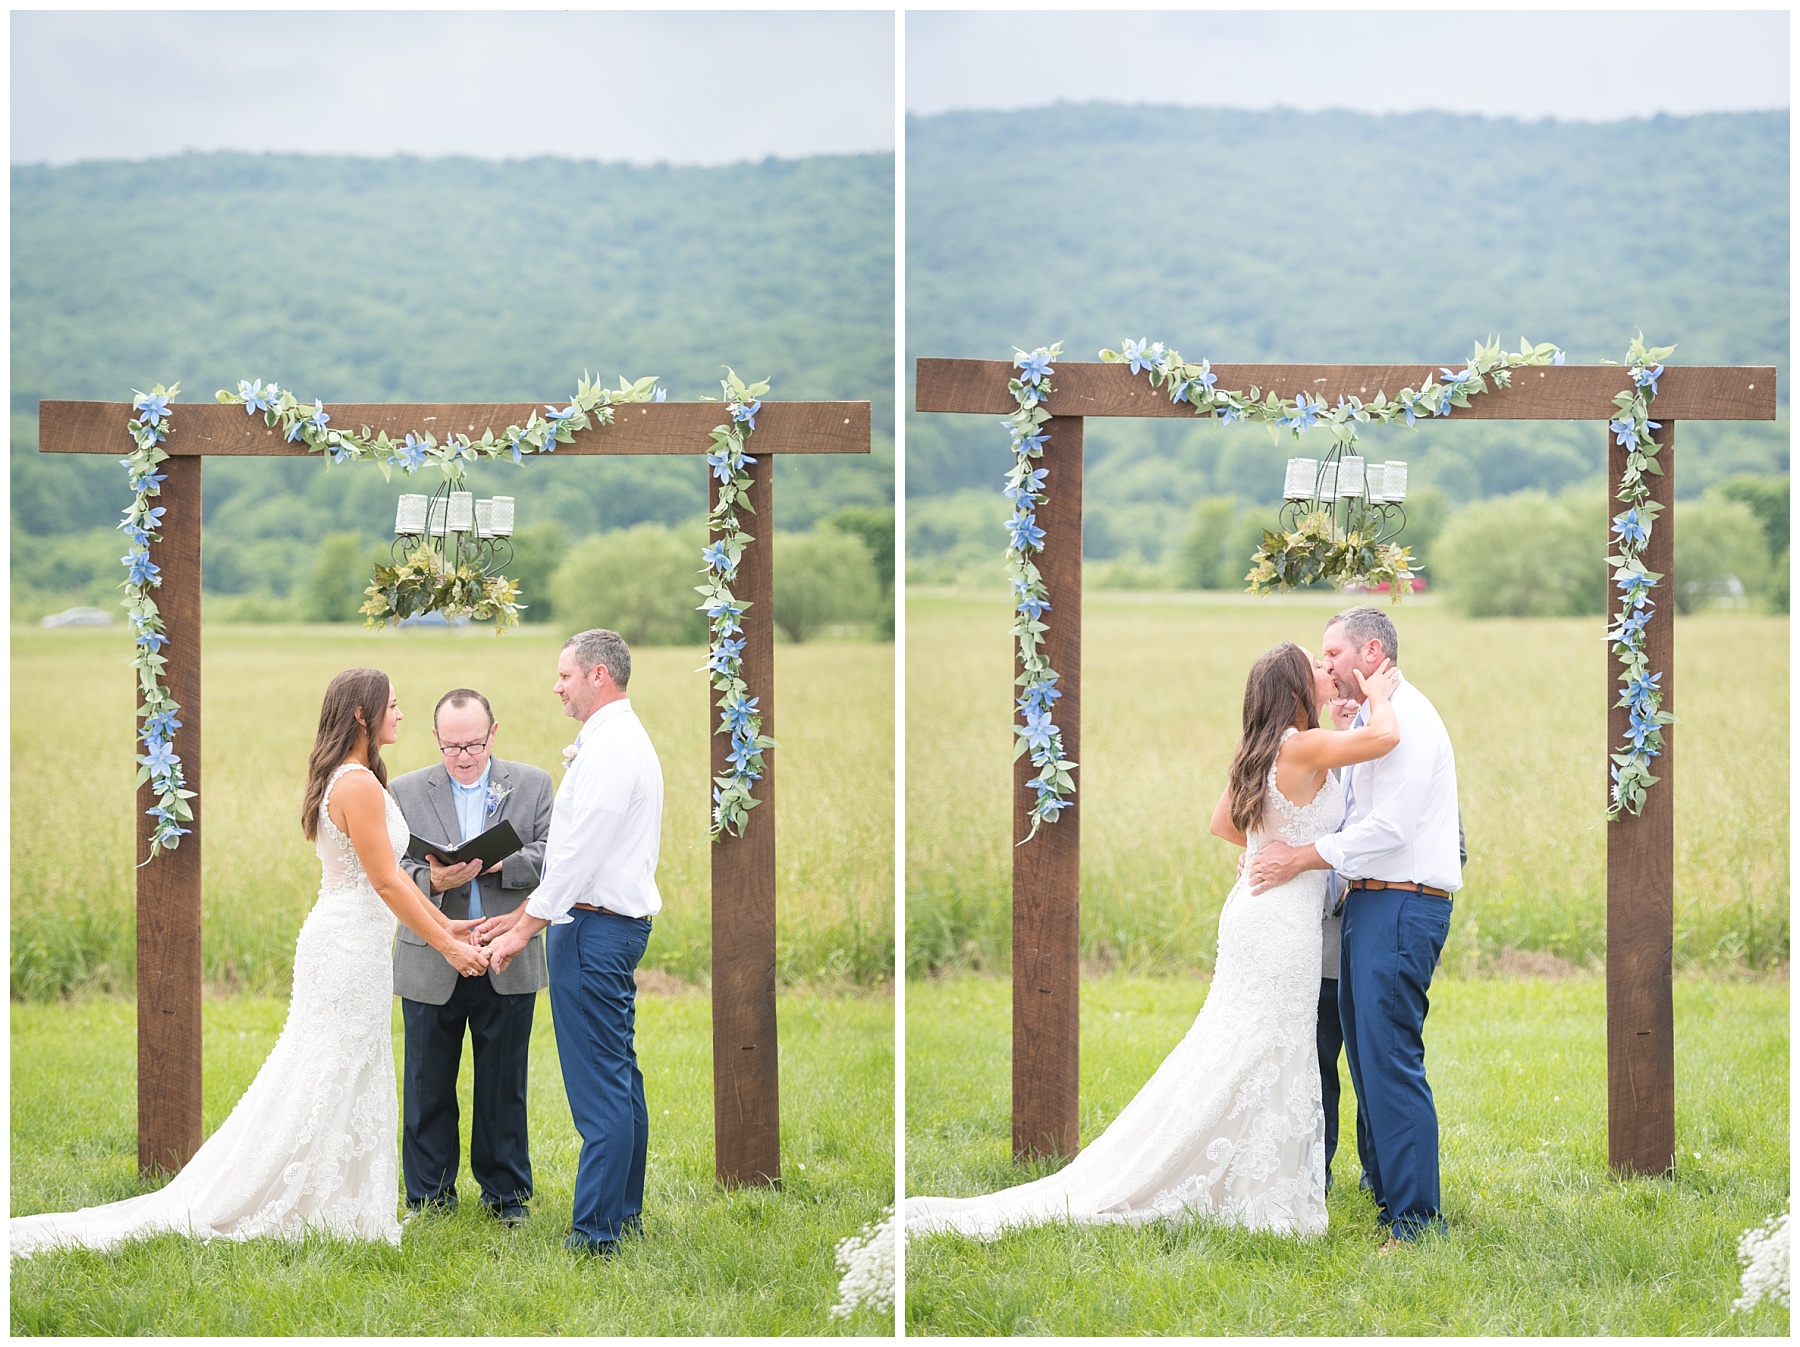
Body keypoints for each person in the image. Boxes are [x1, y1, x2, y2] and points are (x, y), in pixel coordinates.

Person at [905, 642, 1400, 1241]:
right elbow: (1386, 740)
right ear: (1297, 689)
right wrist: (1377, 696)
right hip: (1282, 924)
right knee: (1270, 1046)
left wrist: (1271, 850)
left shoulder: (1266, 748)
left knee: (1246, 1043)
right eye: (1318, 668)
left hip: (1256, 913)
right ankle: (1252, 1191)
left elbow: (1223, 824)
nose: (1329, 671)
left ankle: (1233, 1173)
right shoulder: (1303, 745)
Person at [11, 669, 489, 1256]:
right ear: (362, 715)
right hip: (343, 950)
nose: (401, 713)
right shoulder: (357, 784)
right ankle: (287, 1198)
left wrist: (447, 922)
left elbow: (384, 882)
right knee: (325, 1069)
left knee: (352, 1067)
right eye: (393, 705)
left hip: (357, 946)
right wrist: (449, 946)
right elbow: (388, 881)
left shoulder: (354, 778)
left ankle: (343, 1206)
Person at [1250, 605, 1461, 1249]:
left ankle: (1414, 1221)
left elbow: (1391, 829)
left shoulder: (1412, 719)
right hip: (1371, 903)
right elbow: (1347, 814)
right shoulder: (1371, 721)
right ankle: (1388, 1195)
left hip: (1402, 903)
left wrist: (1302, 858)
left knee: (1390, 1061)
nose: (1328, 665)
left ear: (1371, 654)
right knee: (1370, 1063)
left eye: (1333, 653)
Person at [474, 629, 663, 1257]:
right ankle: (624, 1214)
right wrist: (525, 915)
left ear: (599, 675)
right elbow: (573, 857)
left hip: (592, 928)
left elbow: (579, 856)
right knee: (620, 1074)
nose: (556, 687)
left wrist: (527, 925)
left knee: (599, 1084)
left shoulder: (611, 750)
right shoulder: (617, 741)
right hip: (603, 924)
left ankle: (595, 1234)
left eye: (564, 676)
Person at [390, 688, 554, 1226]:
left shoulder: (532, 784)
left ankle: (506, 1198)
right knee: (426, 1083)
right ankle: (428, 1199)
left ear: (493, 733)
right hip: (431, 954)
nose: (463, 756)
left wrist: (494, 866)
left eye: (475, 745)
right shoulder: (404, 790)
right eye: (452, 746)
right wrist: (435, 878)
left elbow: (555, 856)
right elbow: (389, 872)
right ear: (436, 738)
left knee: (504, 1083)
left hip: (507, 950)